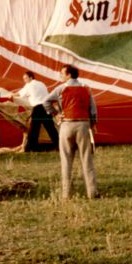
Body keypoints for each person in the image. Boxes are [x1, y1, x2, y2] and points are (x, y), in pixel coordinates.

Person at [43, 65, 97, 199]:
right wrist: (93, 124)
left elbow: (46, 102)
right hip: (83, 125)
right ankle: (92, 192)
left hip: (66, 124)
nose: (60, 75)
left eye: (62, 73)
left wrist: (55, 114)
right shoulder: (86, 89)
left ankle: (66, 194)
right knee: (87, 160)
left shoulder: (61, 89)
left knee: (66, 160)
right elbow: (93, 110)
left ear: (68, 75)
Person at [16, 70, 58, 152]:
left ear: (31, 78)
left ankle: (31, 148)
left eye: (25, 78)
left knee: (34, 129)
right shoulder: (41, 83)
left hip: (38, 107)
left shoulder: (29, 85)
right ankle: (59, 145)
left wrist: (11, 95)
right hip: (46, 106)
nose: (24, 80)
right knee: (51, 128)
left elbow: (20, 94)